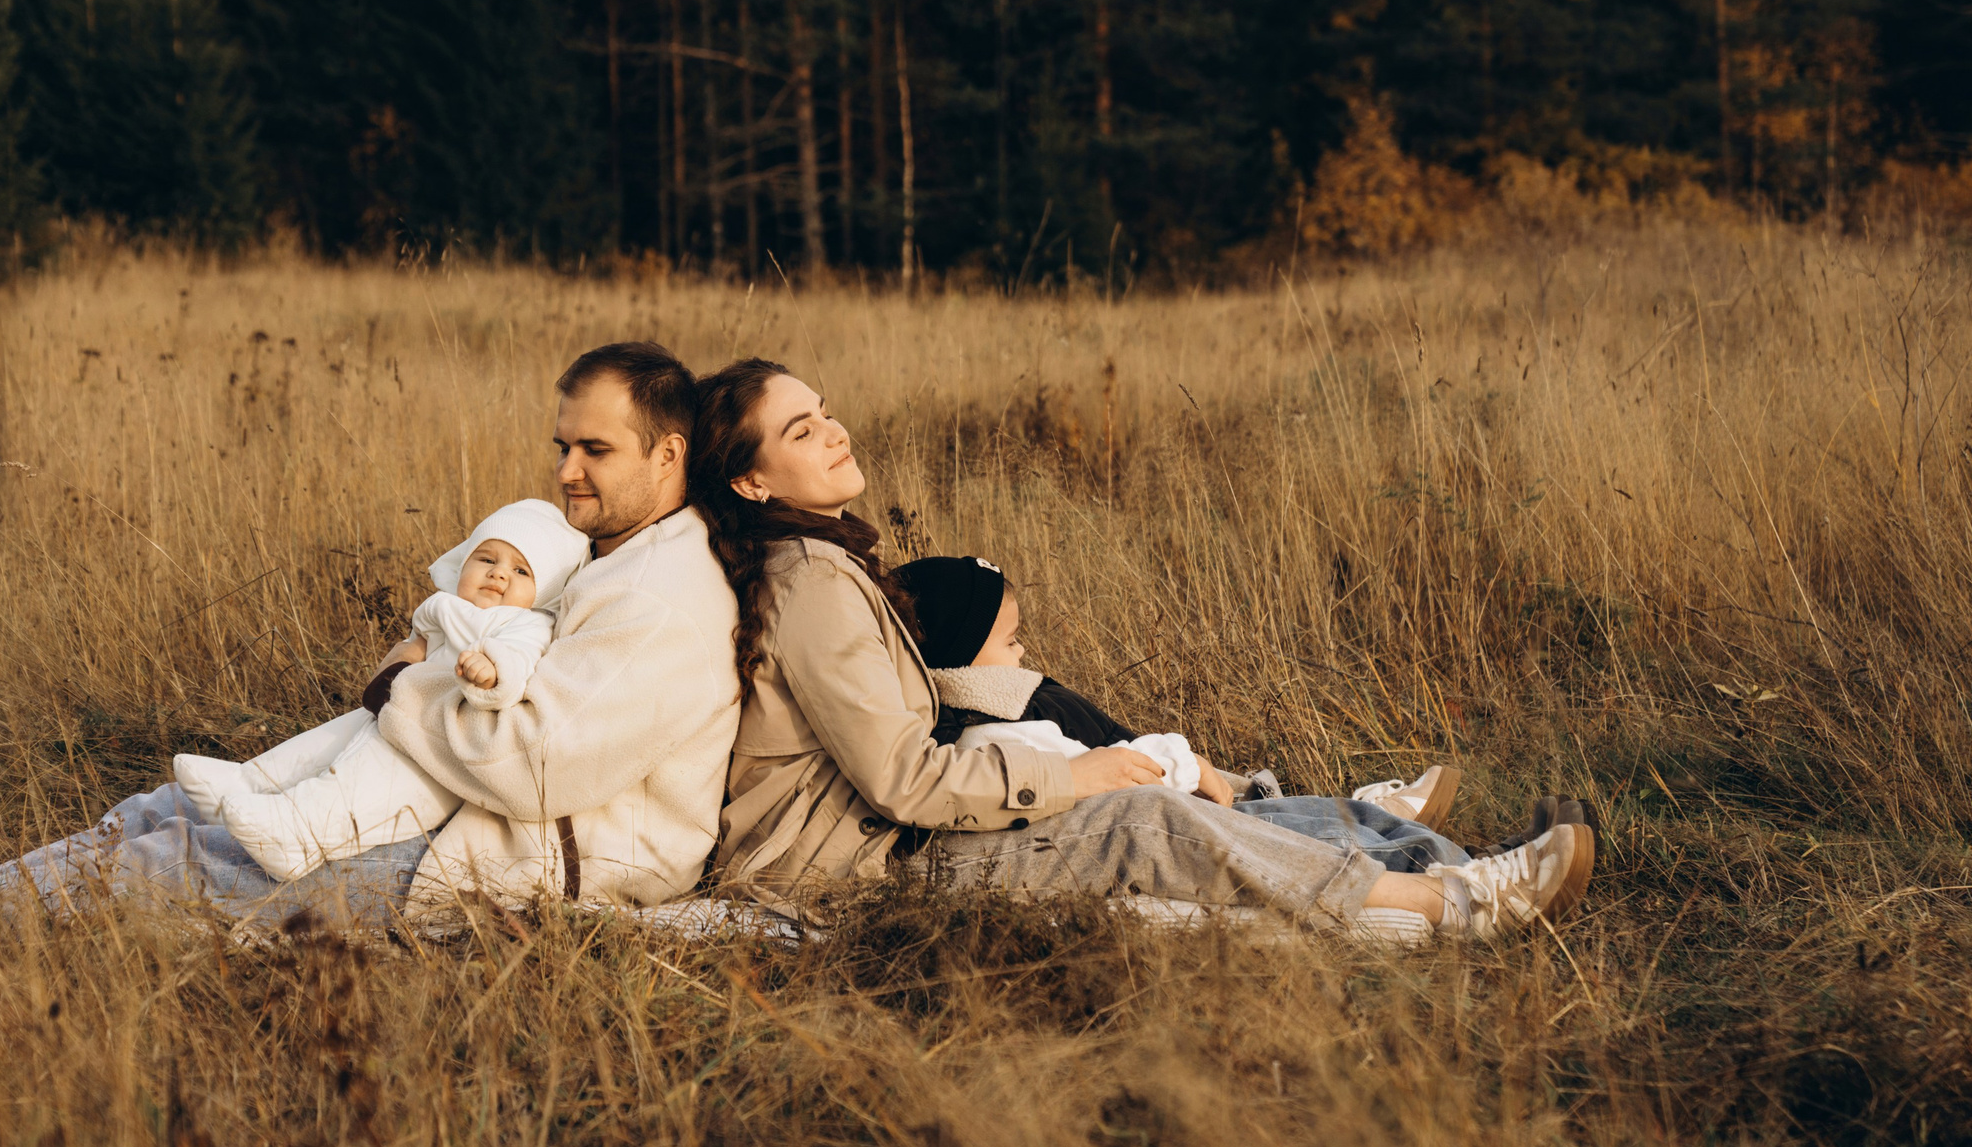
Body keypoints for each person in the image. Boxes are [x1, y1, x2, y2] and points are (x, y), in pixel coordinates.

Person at [0, 343, 742, 932]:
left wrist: (399, 687)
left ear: (667, 455)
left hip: (513, 860)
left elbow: (536, 768)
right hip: (463, 814)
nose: (564, 472)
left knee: (174, 864)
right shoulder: (611, 556)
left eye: (593, 450)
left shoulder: (664, 594)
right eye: (560, 445)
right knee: (152, 813)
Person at [693, 357, 1594, 943]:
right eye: (801, 430)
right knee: (1148, 819)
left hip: (874, 837)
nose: (834, 430)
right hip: (850, 868)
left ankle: (1437, 865)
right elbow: (900, 780)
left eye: (825, 409)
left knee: (1146, 794)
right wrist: (1071, 780)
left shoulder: (823, 558)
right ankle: (1469, 906)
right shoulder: (808, 579)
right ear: (752, 478)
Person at [891, 553, 1503, 878]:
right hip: (1171, 810)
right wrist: (1185, 763)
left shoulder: (1005, 698)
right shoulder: (992, 731)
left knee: (1309, 818)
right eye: (1009, 641)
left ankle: (1437, 842)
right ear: (960, 660)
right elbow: (1102, 774)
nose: (1022, 651)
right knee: (1305, 834)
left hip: (1186, 797)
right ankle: (1454, 867)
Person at [169, 500, 590, 881]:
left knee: (368, 779)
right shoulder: (443, 605)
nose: (499, 573)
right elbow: (415, 644)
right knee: (326, 742)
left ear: (545, 592)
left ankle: (298, 833)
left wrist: (493, 671)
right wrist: (407, 654)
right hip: (399, 709)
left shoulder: (525, 623)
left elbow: (520, 661)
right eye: (487, 558)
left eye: (521, 570)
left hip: (443, 740)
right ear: (463, 563)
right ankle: (248, 783)